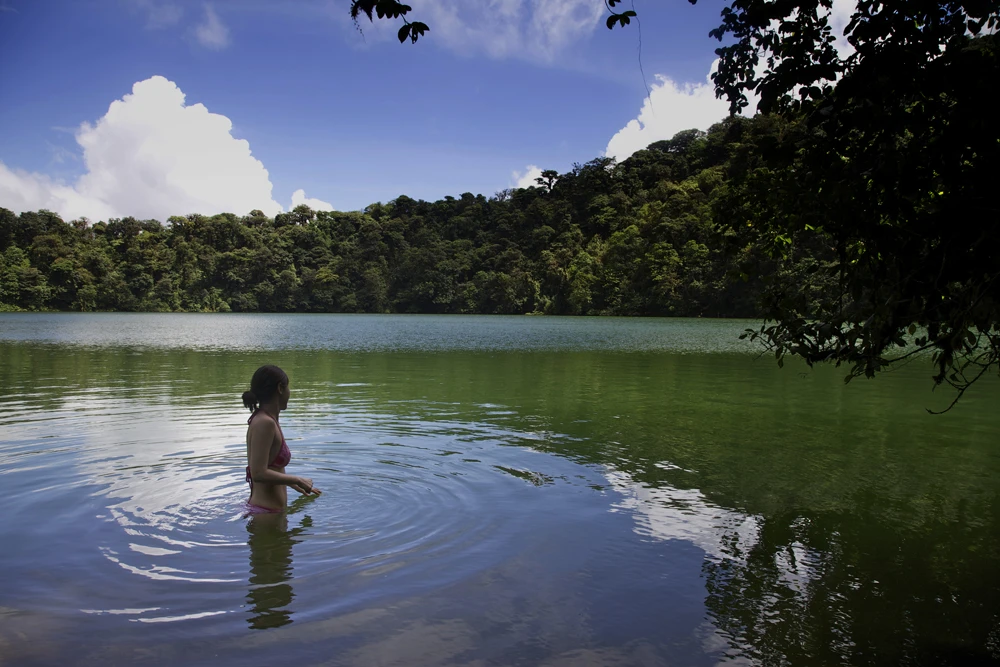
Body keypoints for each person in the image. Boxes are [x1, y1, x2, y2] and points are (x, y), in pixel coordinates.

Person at [242, 365, 320, 514]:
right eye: (288, 387)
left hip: (271, 512)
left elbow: (270, 467)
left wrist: (293, 485)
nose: (290, 392)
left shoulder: (268, 420)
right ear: (280, 388)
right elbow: (258, 473)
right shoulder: (265, 423)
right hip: (265, 513)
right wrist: (296, 480)